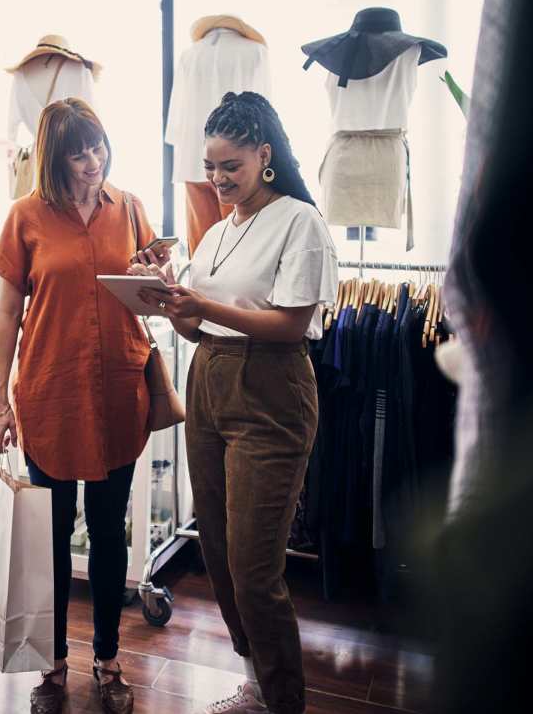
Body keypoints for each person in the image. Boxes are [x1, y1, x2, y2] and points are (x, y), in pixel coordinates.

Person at [130, 91, 337, 714]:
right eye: (211, 167)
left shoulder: (299, 221)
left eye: (231, 167)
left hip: (271, 390)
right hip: (209, 381)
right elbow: (199, 330)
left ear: (264, 156)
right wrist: (167, 294)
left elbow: (292, 324)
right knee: (217, 549)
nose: (217, 179)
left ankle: (283, 701)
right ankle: (255, 681)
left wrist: (205, 307)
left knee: (253, 565)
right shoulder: (219, 231)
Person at [0, 98, 169, 714]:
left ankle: (109, 659)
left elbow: (153, 300)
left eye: (98, 146)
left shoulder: (132, 209)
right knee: (54, 535)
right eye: (78, 152)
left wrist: (157, 278)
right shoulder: (25, 216)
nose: (93, 162)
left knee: (111, 528)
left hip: (119, 389)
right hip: (51, 393)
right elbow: (7, 315)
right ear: (54, 157)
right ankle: (54, 663)